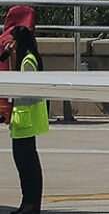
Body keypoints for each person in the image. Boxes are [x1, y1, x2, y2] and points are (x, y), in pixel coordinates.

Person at [5, 25, 48, 214]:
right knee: (25, 165)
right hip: (22, 122)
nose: (10, 44)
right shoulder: (24, 58)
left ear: (19, 42)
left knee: (27, 166)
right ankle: (28, 203)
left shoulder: (28, 61)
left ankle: (31, 204)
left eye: (12, 41)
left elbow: (25, 91)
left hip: (26, 121)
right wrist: (11, 56)